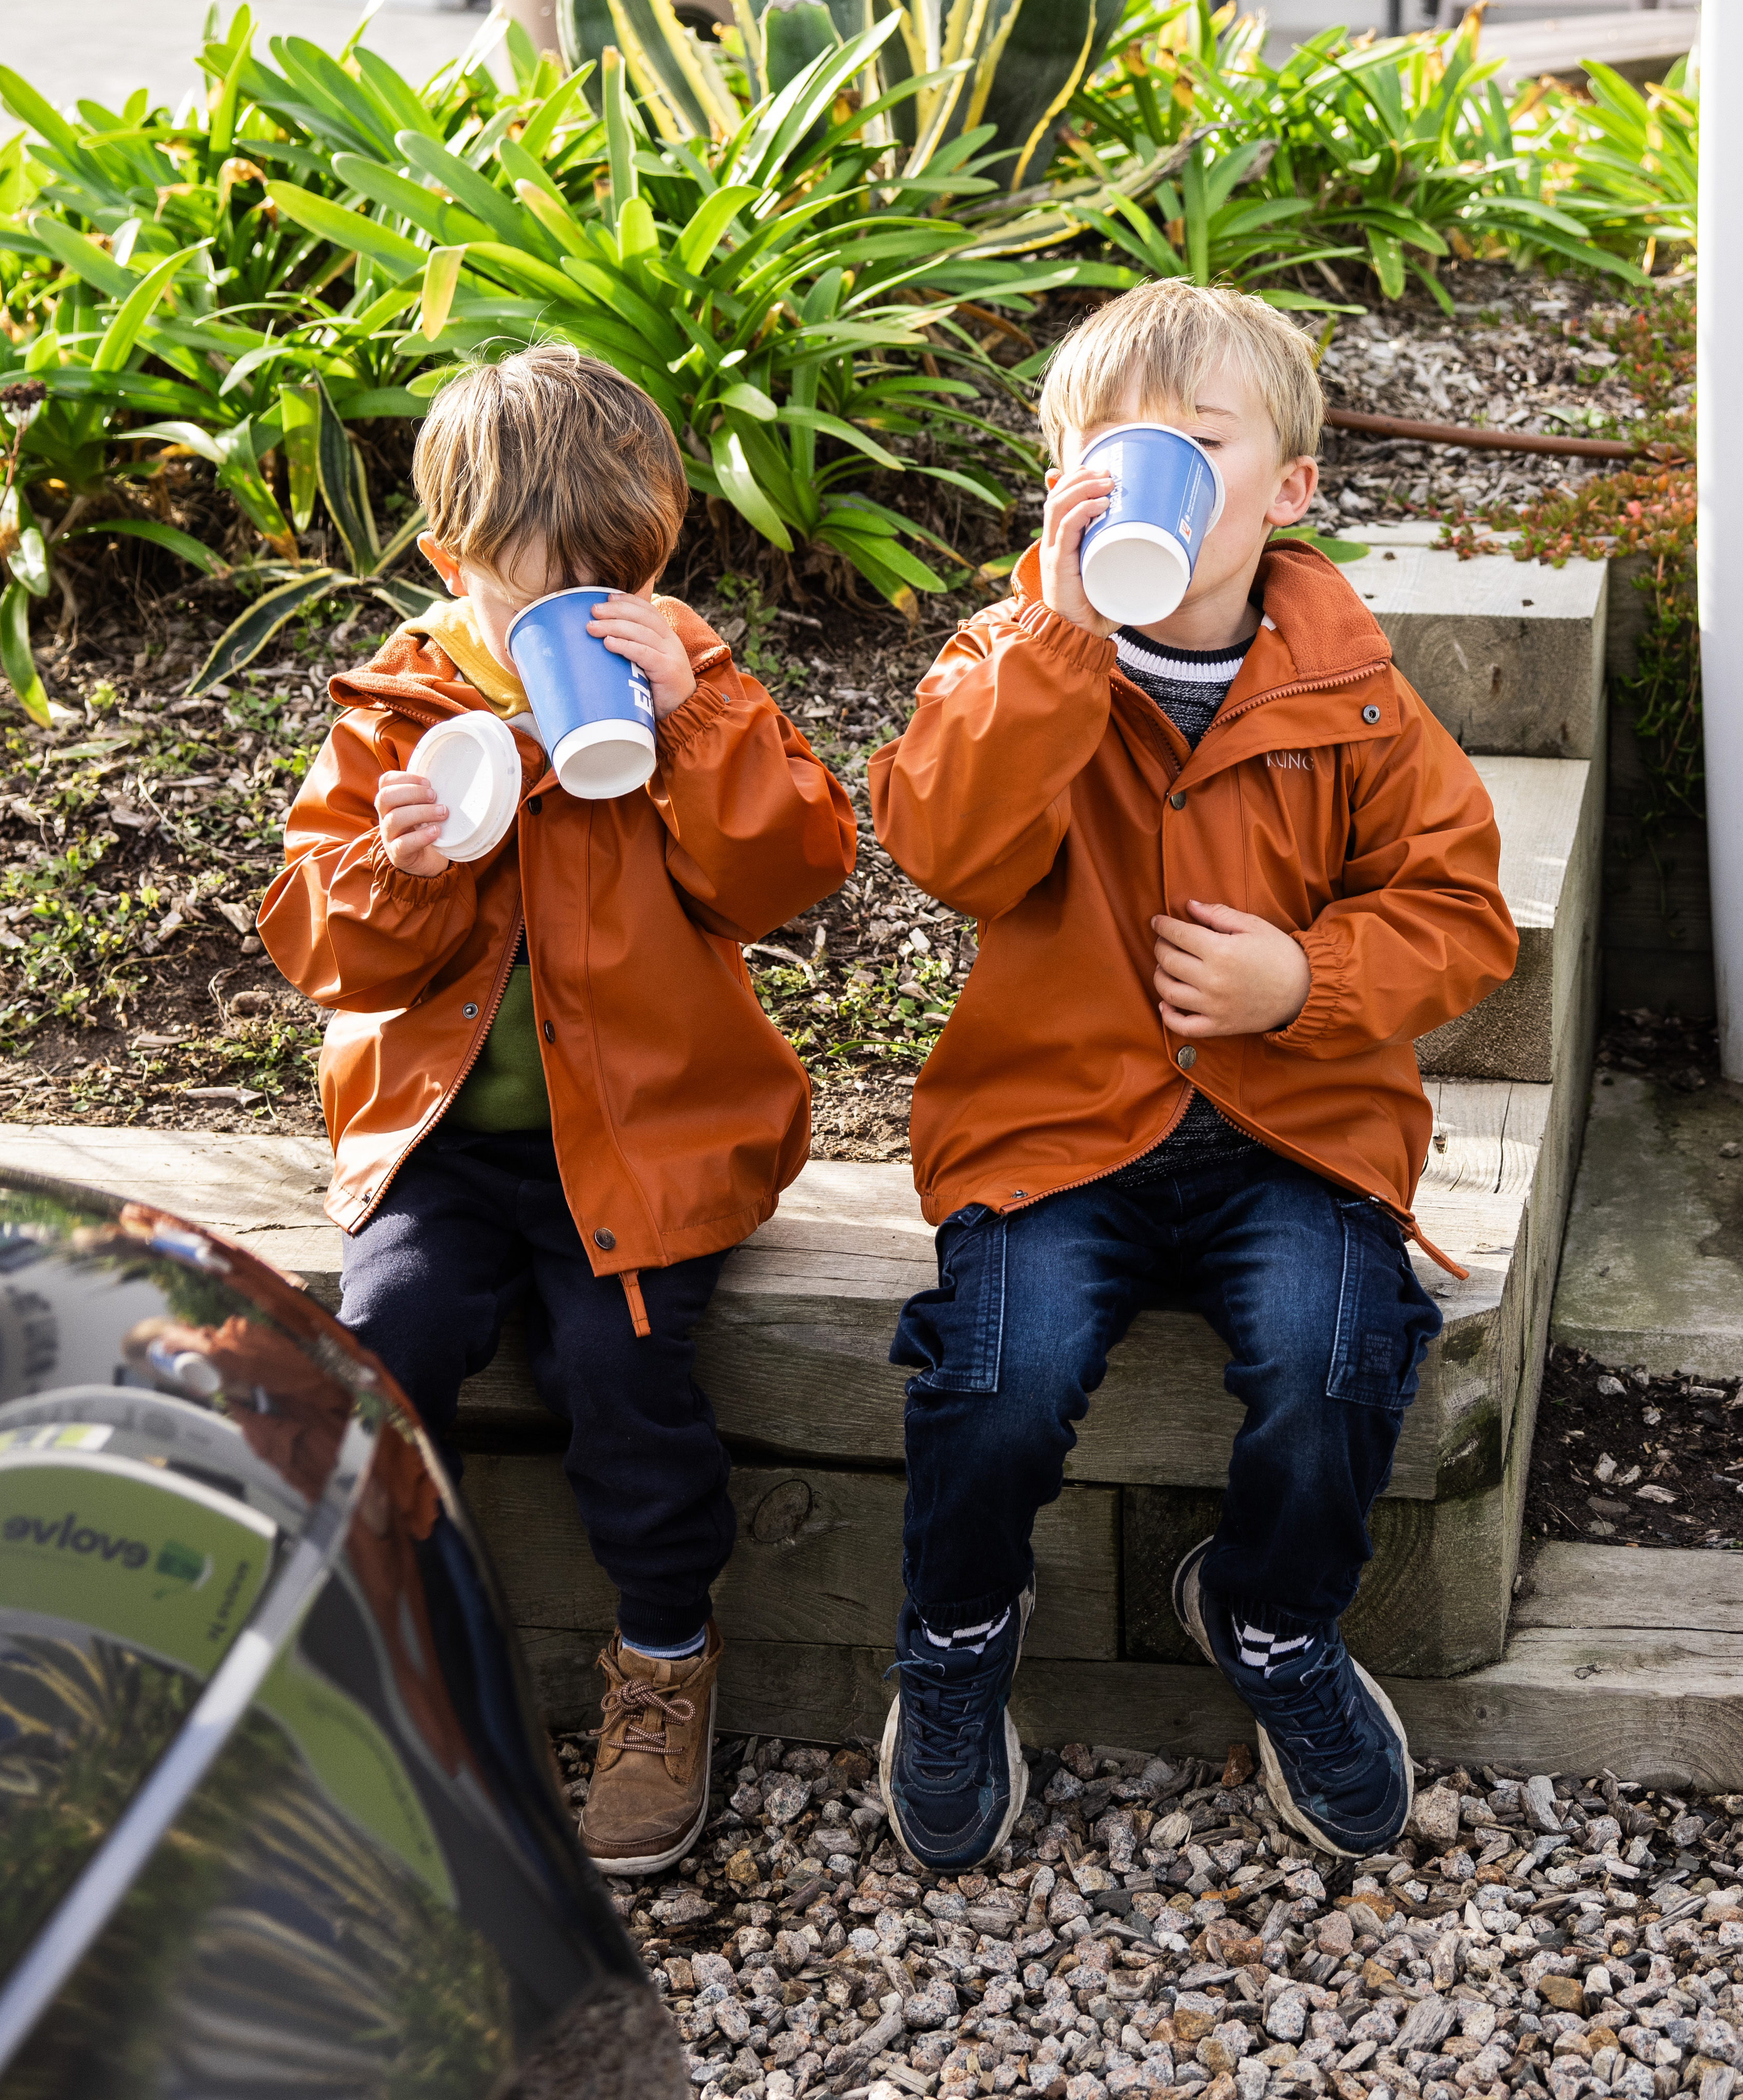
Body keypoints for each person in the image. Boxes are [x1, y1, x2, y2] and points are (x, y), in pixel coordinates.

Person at [867, 284, 1518, 1872]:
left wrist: (1306, 981)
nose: (1150, 472)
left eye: (1198, 443)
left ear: (1289, 491)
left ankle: (1273, 1616)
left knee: (1336, 1353)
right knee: (999, 1377)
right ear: (1061, 484)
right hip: (1056, 1124)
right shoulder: (1016, 656)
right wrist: (1054, 637)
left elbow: (1462, 915)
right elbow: (939, 845)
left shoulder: (1352, 691)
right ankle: (956, 1634)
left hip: (1293, 1130)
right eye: (1113, 449)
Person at [259, 342, 855, 1874]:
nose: (591, 628)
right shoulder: (396, 715)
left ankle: (664, 1658)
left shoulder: (692, 690)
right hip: (446, 1148)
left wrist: (698, 718)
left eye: (626, 588)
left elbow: (792, 872)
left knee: (623, 1365)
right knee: (390, 1341)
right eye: (546, 604)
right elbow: (316, 946)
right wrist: (407, 861)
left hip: (649, 1139)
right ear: (450, 567)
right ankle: (398, 1649)